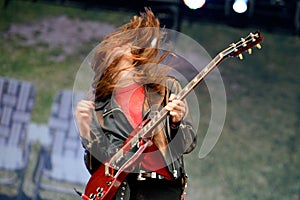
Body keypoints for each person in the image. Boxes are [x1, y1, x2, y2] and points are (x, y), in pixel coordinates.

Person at [75, 8, 197, 200]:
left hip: (163, 189)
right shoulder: (98, 104)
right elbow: (98, 167)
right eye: (113, 47)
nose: (117, 50)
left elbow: (188, 145)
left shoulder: (166, 88)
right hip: (125, 190)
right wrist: (87, 134)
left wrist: (176, 123)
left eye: (123, 44)